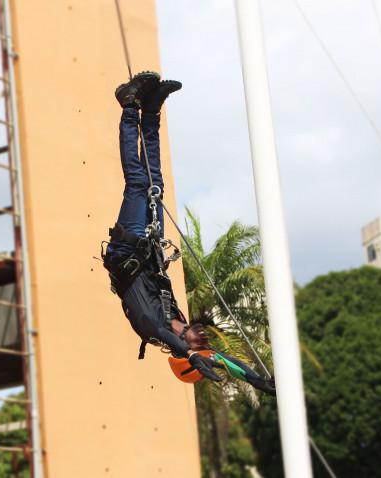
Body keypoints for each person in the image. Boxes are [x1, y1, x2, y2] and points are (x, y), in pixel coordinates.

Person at [102, 71, 275, 394]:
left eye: (199, 347)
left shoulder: (155, 328)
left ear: (185, 353)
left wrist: (192, 355)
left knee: (138, 184)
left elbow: (183, 347)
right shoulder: (178, 322)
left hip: (126, 251)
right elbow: (223, 360)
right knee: (156, 183)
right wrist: (257, 380)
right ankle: (151, 111)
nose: (206, 340)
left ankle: (128, 104)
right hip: (148, 246)